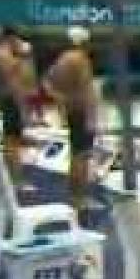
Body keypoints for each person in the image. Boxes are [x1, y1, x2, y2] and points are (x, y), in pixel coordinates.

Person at [43, 25, 101, 216]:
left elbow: (47, 83)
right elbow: (86, 91)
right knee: (82, 156)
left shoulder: (64, 59)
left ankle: (76, 196)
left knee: (78, 155)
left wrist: (62, 100)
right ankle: (80, 198)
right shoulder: (79, 59)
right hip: (81, 112)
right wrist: (90, 115)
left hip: (74, 110)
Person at [0, 24, 38, 193]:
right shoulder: (4, 57)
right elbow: (16, 84)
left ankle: (13, 179)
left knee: (11, 142)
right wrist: (23, 109)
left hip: (6, 99)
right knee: (12, 143)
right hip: (12, 101)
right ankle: (16, 181)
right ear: (12, 38)